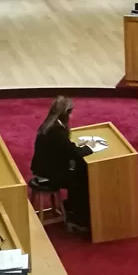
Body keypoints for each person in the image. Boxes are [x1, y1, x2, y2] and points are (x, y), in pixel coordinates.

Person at [31, 96, 93, 228]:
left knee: (78, 169)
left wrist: (75, 147)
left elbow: (64, 148)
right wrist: (90, 147)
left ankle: (72, 206)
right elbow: (73, 153)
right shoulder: (56, 131)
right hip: (49, 173)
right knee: (83, 175)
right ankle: (78, 218)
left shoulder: (49, 125)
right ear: (66, 113)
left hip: (44, 167)